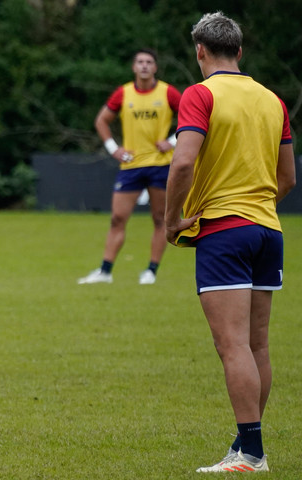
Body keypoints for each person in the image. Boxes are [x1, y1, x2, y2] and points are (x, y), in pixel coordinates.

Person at [165, 12, 295, 473]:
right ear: (239, 51)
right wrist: (256, 204)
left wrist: (171, 221)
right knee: (257, 346)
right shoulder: (272, 99)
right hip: (268, 230)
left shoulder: (200, 95)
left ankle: (252, 453)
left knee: (233, 346)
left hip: (225, 231)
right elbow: (288, 178)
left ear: (199, 51)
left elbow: (182, 165)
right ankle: (248, 446)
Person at [78, 48, 182, 285]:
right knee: (117, 218)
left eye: (149, 62)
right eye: (140, 62)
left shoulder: (168, 92)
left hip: (160, 165)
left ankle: (151, 271)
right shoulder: (123, 93)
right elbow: (101, 120)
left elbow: (193, 117)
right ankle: (105, 271)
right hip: (131, 165)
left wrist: (173, 140)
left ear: (155, 67)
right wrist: (113, 148)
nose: (144, 66)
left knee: (159, 219)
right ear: (134, 67)